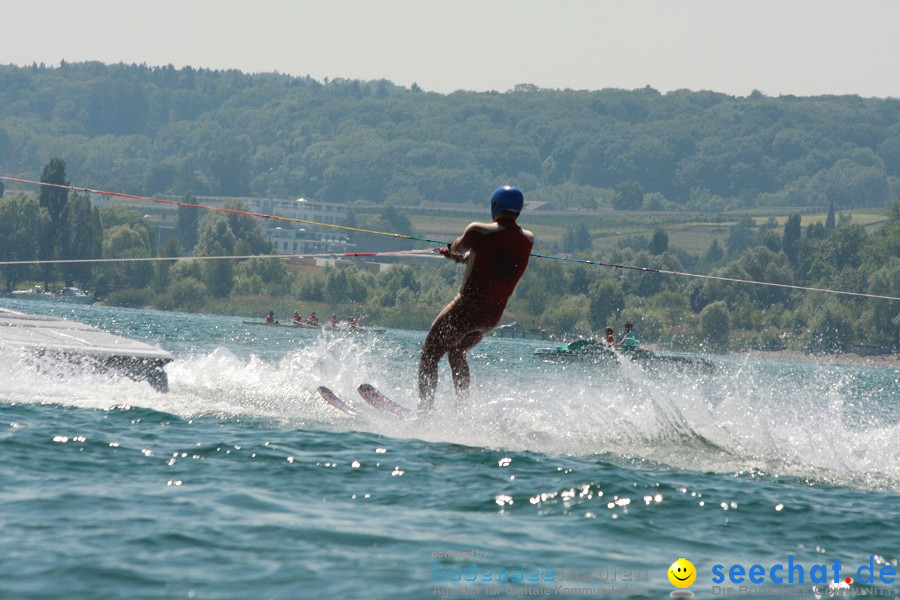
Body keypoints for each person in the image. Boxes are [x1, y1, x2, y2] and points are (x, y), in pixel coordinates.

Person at [418, 186, 534, 411]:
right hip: (492, 316)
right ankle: (462, 410)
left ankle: (424, 410)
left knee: (430, 353)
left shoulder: (479, 231)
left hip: (467, 308)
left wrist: (452, 252)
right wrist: (467, 258)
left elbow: (457, 247)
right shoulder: (527, 240)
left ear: (494, 207)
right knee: (456, 352)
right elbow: (494, 259)